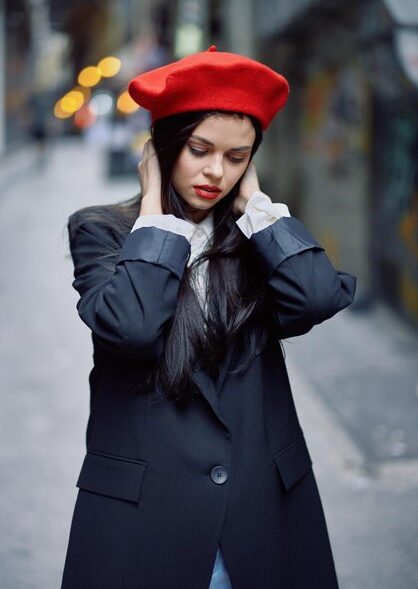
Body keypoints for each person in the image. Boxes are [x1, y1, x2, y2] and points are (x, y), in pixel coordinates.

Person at [61, 46, 356, 589]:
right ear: (165, 146)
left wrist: (257, 210)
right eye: (200, 150)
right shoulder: (102, 232)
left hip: (259, 511)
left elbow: (316, 298)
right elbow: (130, 328)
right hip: (146, 517)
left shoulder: (256, 239)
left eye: (237, 157)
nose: (216, 172)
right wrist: (154, 210)